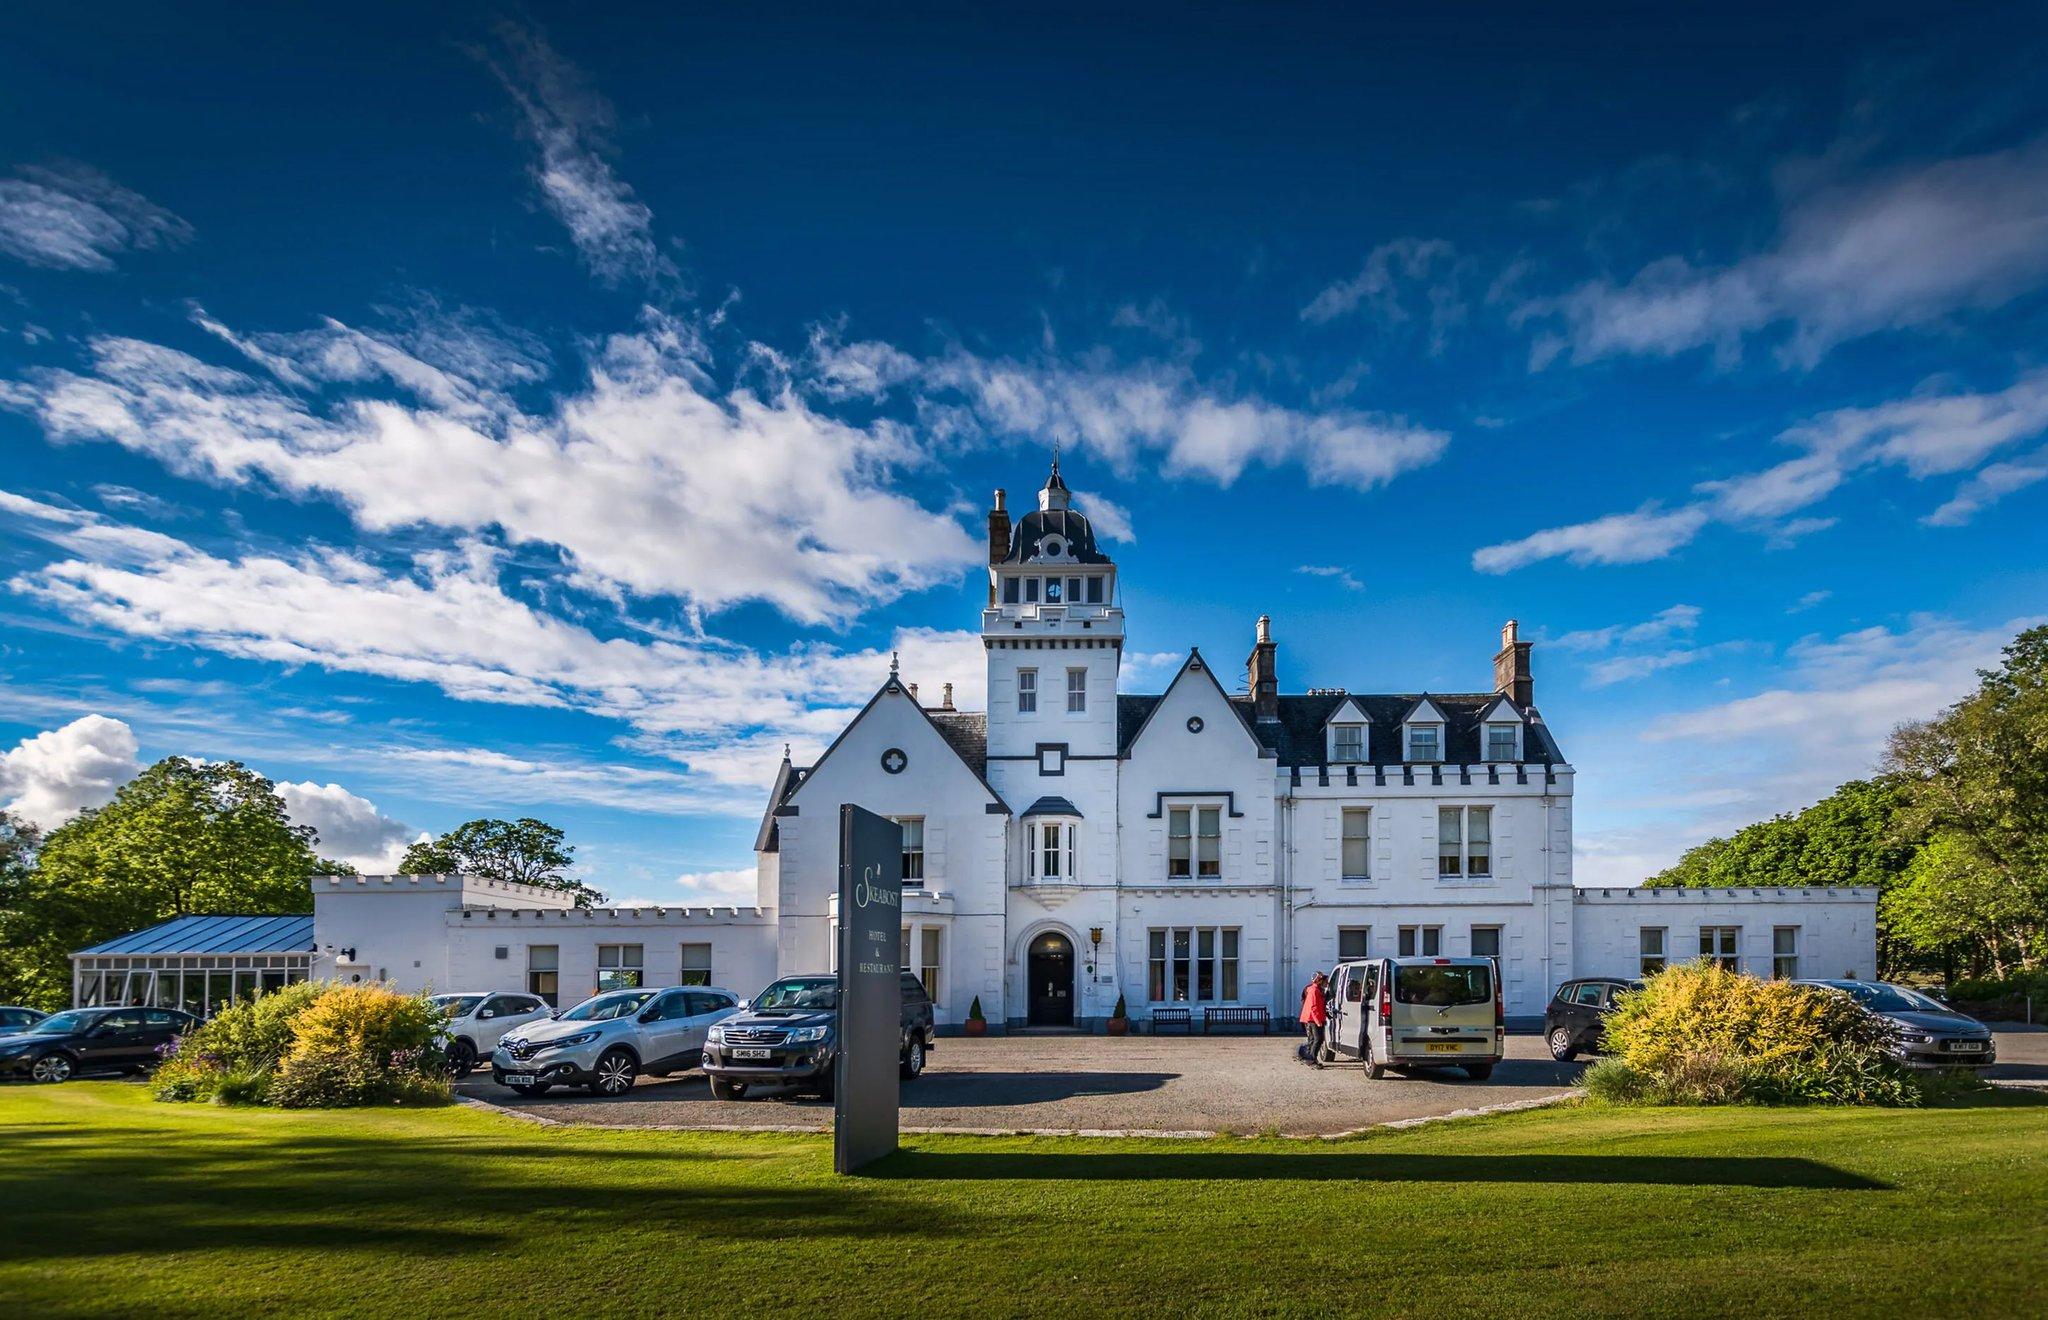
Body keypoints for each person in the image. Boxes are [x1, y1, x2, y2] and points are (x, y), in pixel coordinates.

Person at [1297, 970, 1329, 1068]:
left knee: (1313, 1039)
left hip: (1311, 1018)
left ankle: (1308, 1058)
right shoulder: (1314, 990)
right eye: (1324, 980)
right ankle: (1311, 1060)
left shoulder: (1314, 989)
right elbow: (1314, 1007)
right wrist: (1318, 1021)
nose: (1326, 982)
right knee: (1318, 1039)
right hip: (1313, 1019)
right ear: (1319, 981)